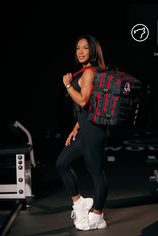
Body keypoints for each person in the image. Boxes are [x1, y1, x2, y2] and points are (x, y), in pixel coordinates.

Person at [56, 35, 108, 231]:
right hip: (85, 128)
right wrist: (75, 128)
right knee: (61, 163)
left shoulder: (89, 72)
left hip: (94, 131)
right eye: (78, 48)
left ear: (93, 51)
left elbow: (84, 101)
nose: (80, 52)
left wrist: (68, 85)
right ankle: (80, 203)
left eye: (85, 48)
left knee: (96, 173)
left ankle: (98, 216)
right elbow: (87, 109)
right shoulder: (85, 71)